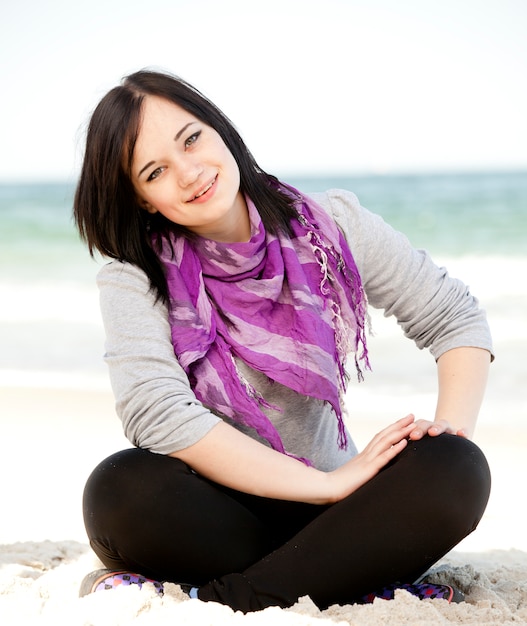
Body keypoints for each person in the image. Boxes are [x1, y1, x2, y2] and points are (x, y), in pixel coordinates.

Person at [73, 69, 492, 613]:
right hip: (223, 509)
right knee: (119, 491)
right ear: (143, 199)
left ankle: (234, 598)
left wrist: (443, 436)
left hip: (334, 511)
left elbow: (454, 316)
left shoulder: (330, 225)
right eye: (155, 171)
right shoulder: (134, 273)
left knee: (457, 467)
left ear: (219, 129)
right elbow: (155, 411)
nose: (190, 172)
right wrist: (327, 486)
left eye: (192, 139)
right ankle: (347, 578)